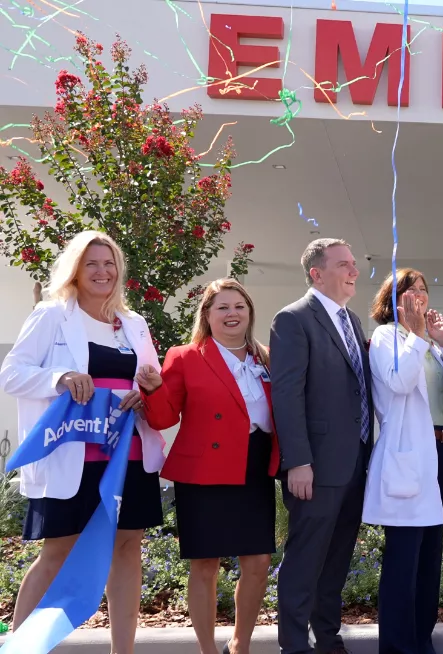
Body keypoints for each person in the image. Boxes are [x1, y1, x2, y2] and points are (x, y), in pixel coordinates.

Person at [0, 231, 165, 652]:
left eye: (109, 263)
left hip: (126, 455)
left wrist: (145, 391)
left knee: (127, 549)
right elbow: (11, 373)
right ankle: (21, 649)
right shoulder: (51, 314)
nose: (102, 271)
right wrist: (60, 378)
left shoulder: (134, 323)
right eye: (91, 263)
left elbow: (152, 381)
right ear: (75, 269)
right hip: (71, 454)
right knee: (58, 552)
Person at [136, 278, 279, 654]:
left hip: (253, 465)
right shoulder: (185, 355)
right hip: (204, 471)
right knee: (205, 564)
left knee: (259, 561)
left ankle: (240, 644)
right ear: (208, 314)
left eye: (239, 307)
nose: (232, 314)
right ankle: (207, 650)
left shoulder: (266, 356)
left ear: (249, 312)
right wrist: (153, 390)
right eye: (223, 308)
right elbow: (164, 418)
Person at [270, 238, 374, 654]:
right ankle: (293, 646)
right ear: (317, 273)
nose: (355, 271)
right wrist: (298, 462)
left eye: (354, 264)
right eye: (345, 264)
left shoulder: (352, 321)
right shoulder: (293, 319)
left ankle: (327, 640)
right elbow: (286, 395)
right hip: (314, 467)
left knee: (335, 562)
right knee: (304, 561)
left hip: (355, 462)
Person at [362, 268, 443, 654]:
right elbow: (399, 383)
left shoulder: (428, 343)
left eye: (423, 289)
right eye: (410, 290)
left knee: (430, 558)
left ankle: (422, 640)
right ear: (393, 300)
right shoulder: (388, 337)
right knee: (404, 560)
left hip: (440, 453)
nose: (419, 295)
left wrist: (442, 341)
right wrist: (418, 336)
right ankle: (399, 648)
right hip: (408, 454)